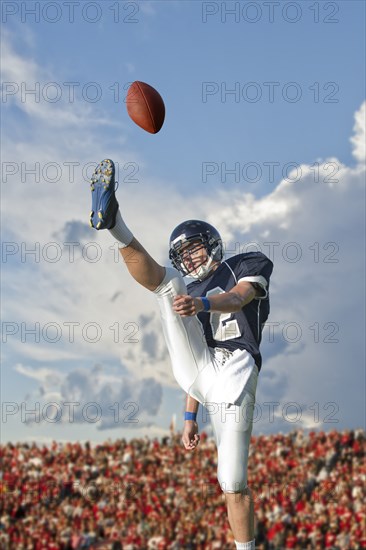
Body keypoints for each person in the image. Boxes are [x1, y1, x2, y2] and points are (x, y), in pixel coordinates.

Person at [88, 159, 274, 550]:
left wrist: (204, 304)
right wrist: (189, 418)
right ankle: (114, 223)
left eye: (193, 250)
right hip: (204, 375)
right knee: (168, 285)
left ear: (212, 244)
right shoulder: (188, 287)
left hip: (236, 369)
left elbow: (239, 298)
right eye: (183, 254)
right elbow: (196, 353)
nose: (190, 259)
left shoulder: (244, 263)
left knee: (232, 483)